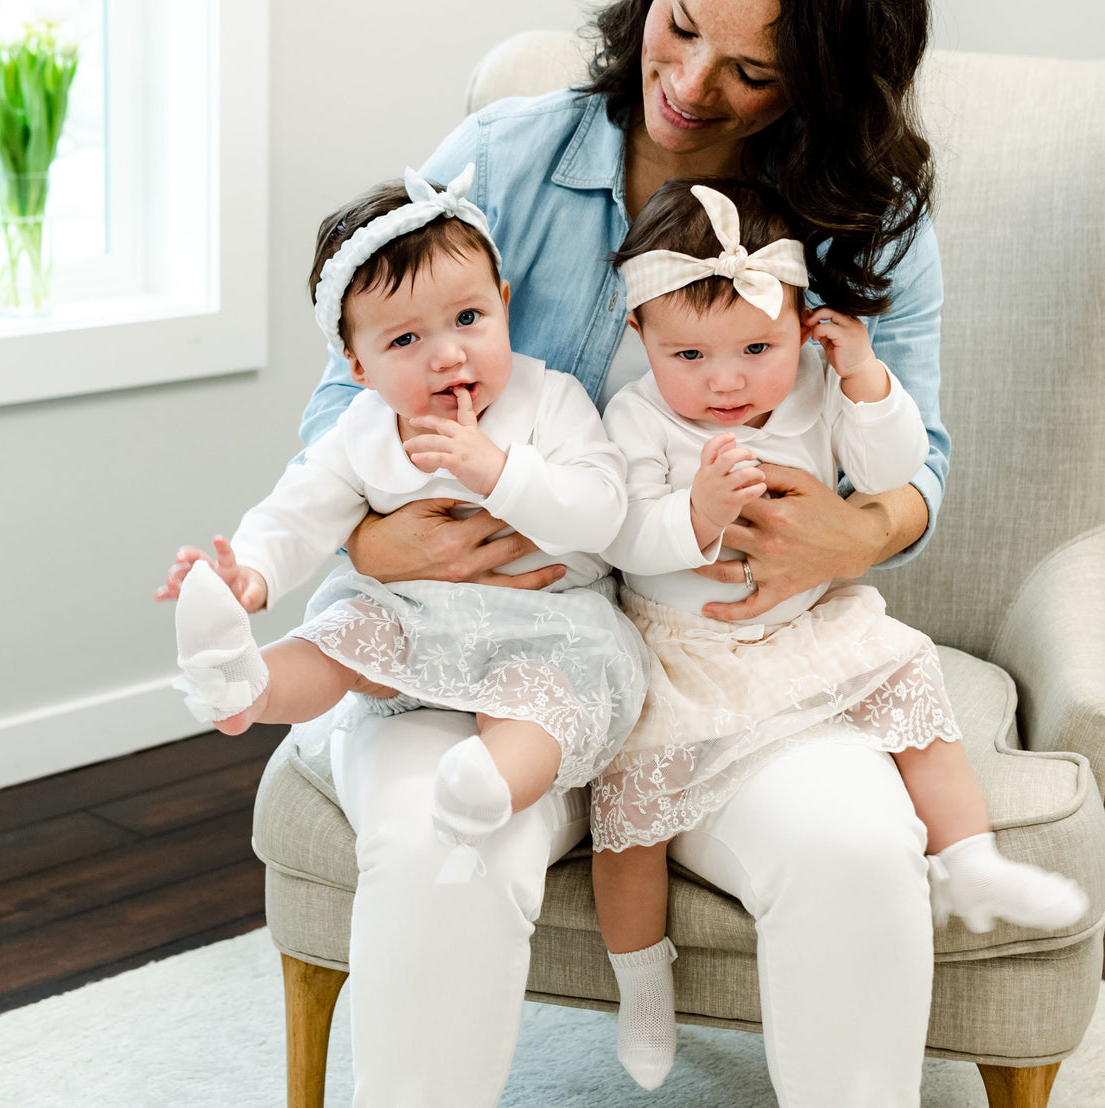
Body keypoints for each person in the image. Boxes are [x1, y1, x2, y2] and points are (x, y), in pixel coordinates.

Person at [290, 2, 961, 1104]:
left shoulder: (866, 217)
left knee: (854, 851)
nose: (692, 84)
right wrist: (371, 531)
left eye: (751, 70)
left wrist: (867, 530)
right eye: (683, 23)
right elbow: (339, 399)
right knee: (439, 846)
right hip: (488, 653)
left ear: (826, 83)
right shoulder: (504, 158)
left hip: (729, 661)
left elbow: (918, 457)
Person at [588, 177, 1090, 1090]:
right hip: (681, 654)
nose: (727, 379)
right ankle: (643, 983)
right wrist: (692, 517)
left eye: (756, 346)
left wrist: (864, 378)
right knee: (631, 828)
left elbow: (894, 466)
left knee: (914, 703)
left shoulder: (819, 388)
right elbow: (619, 530)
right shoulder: (640, 416)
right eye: (691, 354)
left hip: (807, 629)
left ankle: (968, 861)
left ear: (802, 325)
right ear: (642, 342)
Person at [156, 166, 646, 882]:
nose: (448, 353)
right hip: (410, 621)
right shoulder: (364, 430)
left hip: (545, 624)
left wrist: (497, 471)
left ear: (504, 305)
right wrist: (250, 573)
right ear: (358, 365)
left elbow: (604, 510)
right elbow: (301, 509)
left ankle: (484, 790)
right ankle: (243, 685)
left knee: (537, 707)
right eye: (407, 340)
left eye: (469, 320)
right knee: (339, 640)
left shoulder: (550, 400)